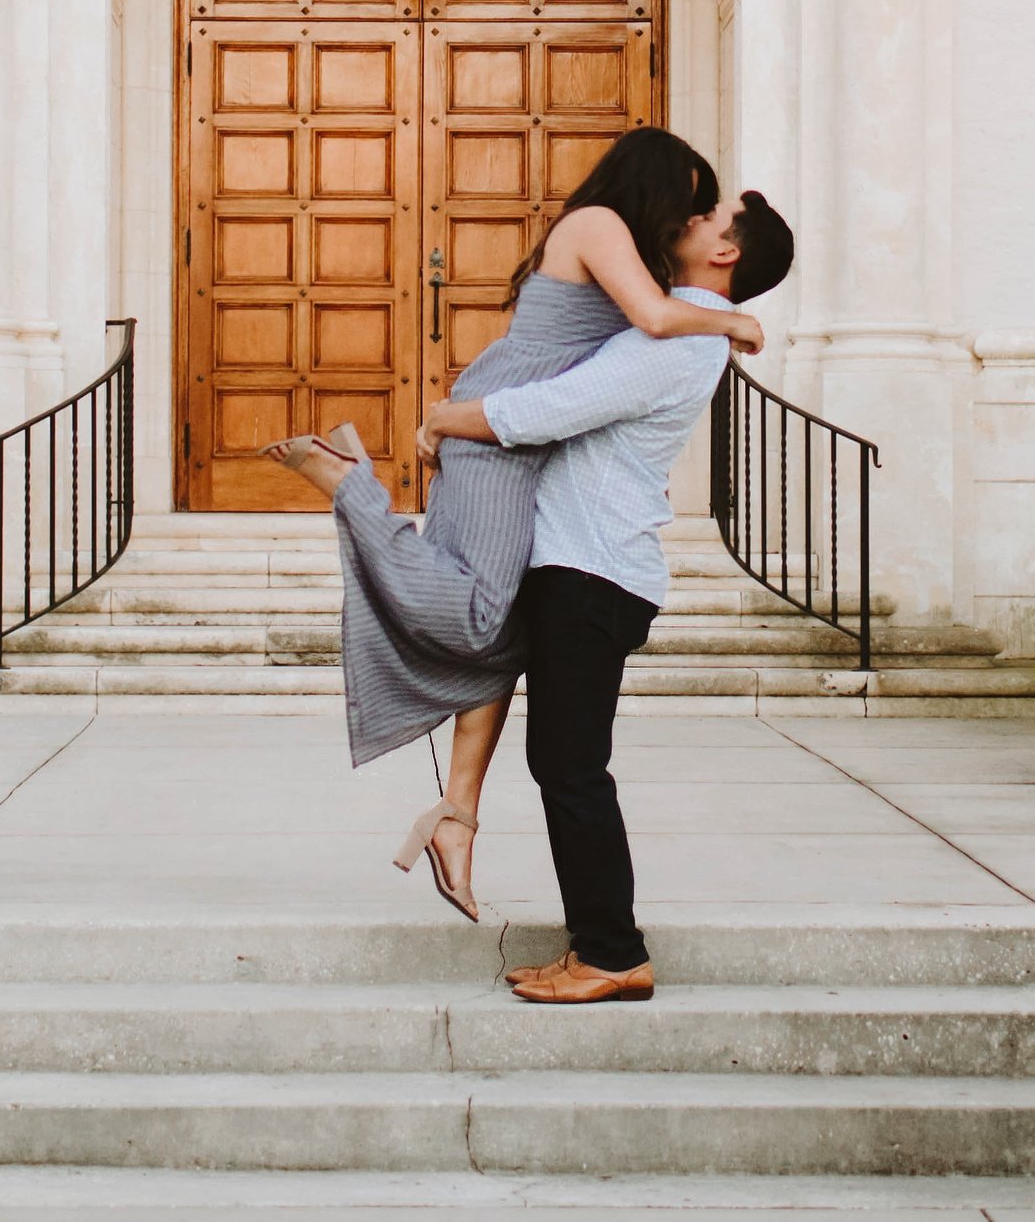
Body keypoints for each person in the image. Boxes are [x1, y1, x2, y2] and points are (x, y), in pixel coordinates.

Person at [263, 132, 759, 918]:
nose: (692, 215)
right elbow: (659, 319)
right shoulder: (598, 224)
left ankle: (455, 819)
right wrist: (733, 324)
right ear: (655, 183)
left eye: (706, 210)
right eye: (692, 196)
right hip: (501, 424)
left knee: (509, 635)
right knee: (479, 615)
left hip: (528, 435)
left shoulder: (626, 247)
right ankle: (352, 483)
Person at [431, 185, 796, 1004]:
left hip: (592, 572)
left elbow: (554, 407)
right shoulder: (675, 324)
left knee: (570, 763)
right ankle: (595, 944)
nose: (687, 215)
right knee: (562, 759)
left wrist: (444, 416)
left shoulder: (673, 338)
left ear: (724, 252)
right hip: (582, 566)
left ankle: (611, 951)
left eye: (705, 217)